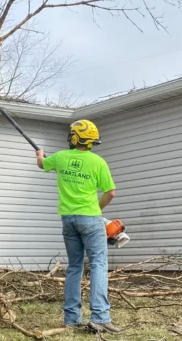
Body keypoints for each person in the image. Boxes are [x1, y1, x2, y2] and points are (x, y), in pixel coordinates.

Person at [36, 119, 122, 334]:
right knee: (99, 264)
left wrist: (40, 154)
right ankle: (101, 317)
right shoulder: (98, 162)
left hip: (68, 219)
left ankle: (72, 318)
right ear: (92, 141)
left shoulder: (60, 158)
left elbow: (42, 164)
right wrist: (98, 210)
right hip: (91, 219)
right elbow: (110, 192)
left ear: (73, 138)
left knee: (75, 266)